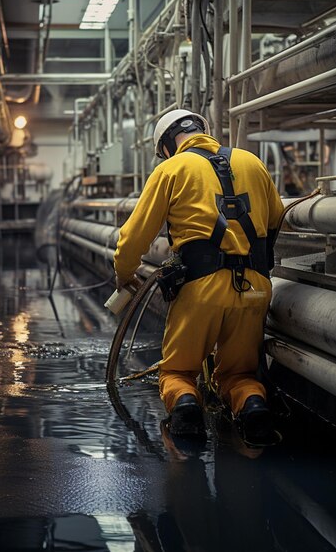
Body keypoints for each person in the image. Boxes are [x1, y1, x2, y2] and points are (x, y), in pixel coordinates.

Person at [113, 109, 284, 446]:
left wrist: (124, 274)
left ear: (165, 146)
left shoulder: (171, 169)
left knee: (178, 371)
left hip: (200, 289)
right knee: (240, 374)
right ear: (204, 130)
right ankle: (253, 410)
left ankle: (186, 413)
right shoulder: (251, 161)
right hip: (255, 286)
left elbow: (133, 239)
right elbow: (277, 217)